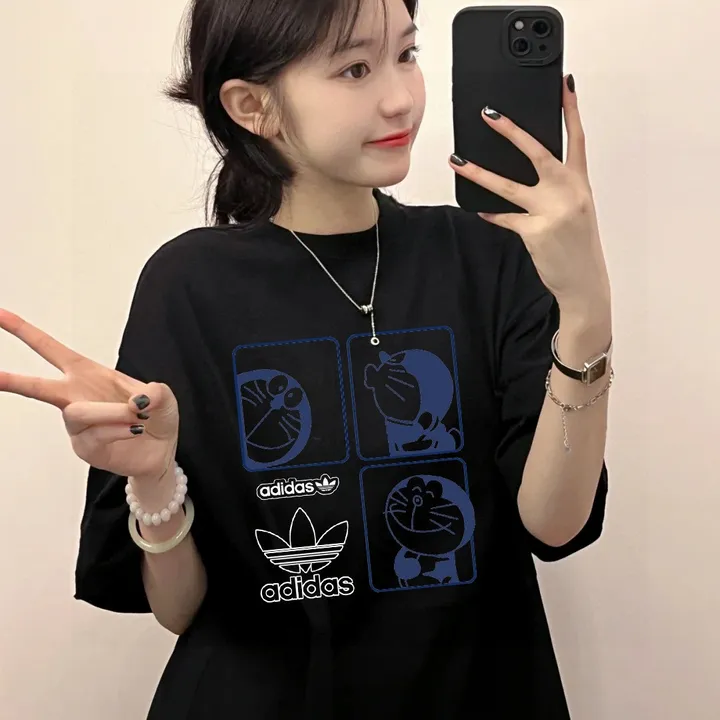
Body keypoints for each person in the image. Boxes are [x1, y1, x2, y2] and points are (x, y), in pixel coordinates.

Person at [0, 0, 614, 717]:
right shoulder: (190, 286)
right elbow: (180, 611)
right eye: (355, 68)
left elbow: (553, 524)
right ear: (252, 106)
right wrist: (154, 479)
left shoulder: (487, 254)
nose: (400, 97)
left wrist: (586, 312)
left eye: (406, 54)